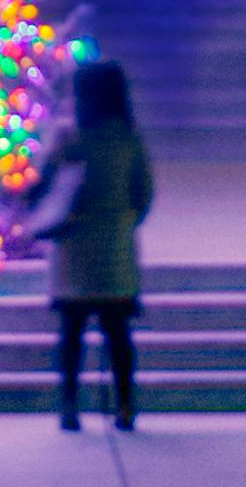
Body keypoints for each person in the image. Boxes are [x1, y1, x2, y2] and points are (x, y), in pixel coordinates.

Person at [27, 56, 156, 432]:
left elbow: (42, 180)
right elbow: (144, 192)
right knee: (118, 334)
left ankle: (69, 405)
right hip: (115, 248)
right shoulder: (129, 137)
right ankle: (126, 406)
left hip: (73, 249)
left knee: (71, 334)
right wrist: (122, 221)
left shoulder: (68, 135)